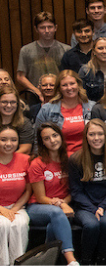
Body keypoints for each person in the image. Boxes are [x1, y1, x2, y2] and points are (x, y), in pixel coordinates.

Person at [27, 123, 79, 265]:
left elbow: (73, 190)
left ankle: (47, 261)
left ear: (61, 136)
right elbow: (41, 197)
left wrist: (63, 203)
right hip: (38, 207)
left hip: (61, 205)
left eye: (55, 135)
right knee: (56, 214)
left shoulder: (70, 159)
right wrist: (61, 205)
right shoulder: (37, 163)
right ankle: (71, 260)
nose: (52, 140)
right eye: (47, 138)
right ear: (42, 142)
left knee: (53, 224)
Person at [68, 119, 106, 265]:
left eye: (100, 134)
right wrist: (93, 209)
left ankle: (102, 260)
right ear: (86, 137)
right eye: (92, 134)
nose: (96, 138)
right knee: (91, 225)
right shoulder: (76, 159)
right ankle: (86, 260)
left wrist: (102, 207)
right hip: (84, 206)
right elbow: (76, 191)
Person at [36, 70, 94, 156]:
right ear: (59, 88)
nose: (69, 88)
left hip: (87, 157)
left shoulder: (92, 107)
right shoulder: (47, 109)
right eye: (64, 85)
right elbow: (37, 139)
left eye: (72, 83)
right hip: (59, 157)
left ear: (78, 85)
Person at [17, 11, 70, 102]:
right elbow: (20, 76)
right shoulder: (26, 50)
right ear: (36, 29)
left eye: (50, 27)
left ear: (55, 28)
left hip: (61, 97)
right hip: (35, 97)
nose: (47, 31)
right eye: (42, 28)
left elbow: (70, 75)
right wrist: (37, 91)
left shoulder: (66, 50)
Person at [0, 125, 30, 266]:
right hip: (0, 208)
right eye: (3, 140)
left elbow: (28, 190)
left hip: (16, 206)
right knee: (2, 224)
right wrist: (2, 209)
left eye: (13, 140)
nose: (8, 144)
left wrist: (14, 209)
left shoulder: (25, 159)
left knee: (20, 224)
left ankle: (17, 263)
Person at [0, 87, 32, 154]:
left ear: (17, 104)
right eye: (4, 102)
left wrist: (6, 159)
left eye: (13, 102)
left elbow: (26, 149)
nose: (9, 106)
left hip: (16, 161)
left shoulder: (24, 123)